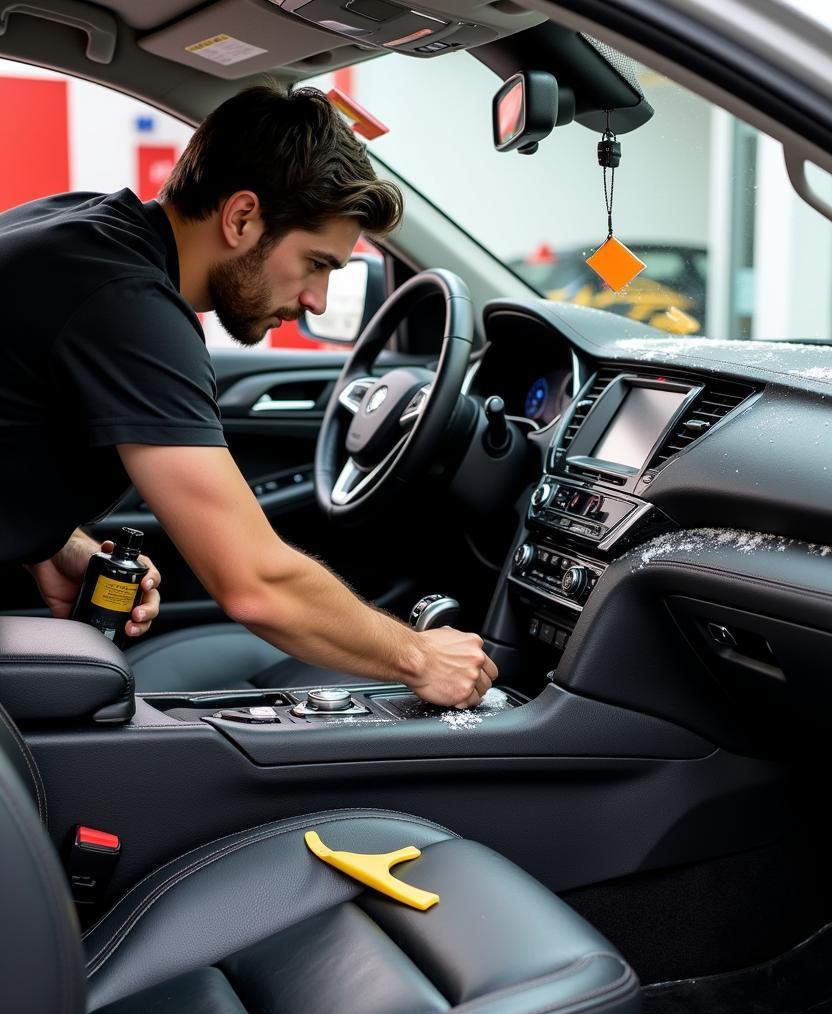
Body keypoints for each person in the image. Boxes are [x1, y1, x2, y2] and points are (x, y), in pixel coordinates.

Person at [0, 85, 496, 708]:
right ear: (240, 217)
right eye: (317, 263)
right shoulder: (127, 306)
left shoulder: (85, 230)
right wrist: (419, 656)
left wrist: (47, 541)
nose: (316, 300)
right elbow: (255, 584)